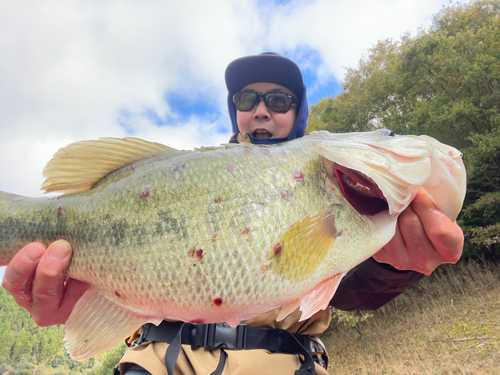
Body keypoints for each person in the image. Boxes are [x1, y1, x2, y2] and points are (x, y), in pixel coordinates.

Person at [2, 53, 464, 375]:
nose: (262, 110)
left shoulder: (335, 190)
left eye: (280, 101)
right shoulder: (190, 173)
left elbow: (347, 293)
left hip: (282, 363)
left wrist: (392, 266)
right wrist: (83, 292)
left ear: (299, 114)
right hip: (162, 359)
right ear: (236, 112)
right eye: (247, 100)